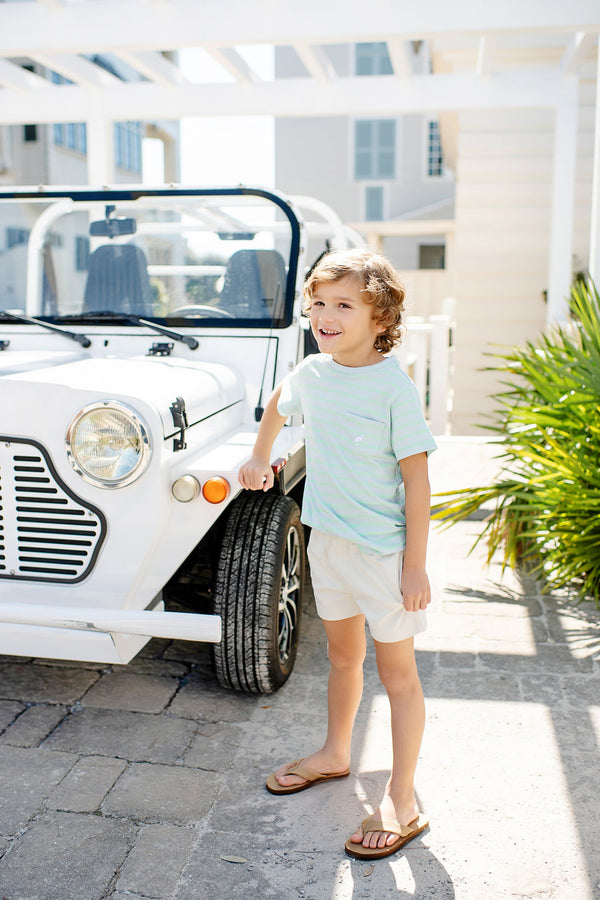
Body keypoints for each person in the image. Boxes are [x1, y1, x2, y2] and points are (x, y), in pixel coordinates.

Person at [238, 248, 436, 861]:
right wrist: (258, 453)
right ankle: (335, 752)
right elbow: (279, 399)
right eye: (318, 304)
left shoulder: (393, 387)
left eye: (343, 305)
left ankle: (403, 798)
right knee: (344, 660)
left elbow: (418, 481)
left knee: (397, 676)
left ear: (381, 319)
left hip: (383, 557)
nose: (325, 315)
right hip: (327, 544)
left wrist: (415, 564)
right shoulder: (314, 372)